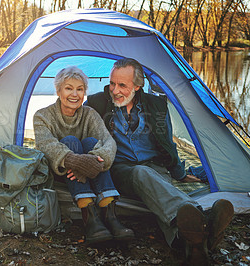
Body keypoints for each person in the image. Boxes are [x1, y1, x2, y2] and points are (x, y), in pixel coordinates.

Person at [86, 58, 234, 264]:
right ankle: (203, 220)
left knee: (162, 198)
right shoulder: (96, 103)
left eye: (122, 85)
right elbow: (81, 132)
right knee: (141, 173)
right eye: (112, 83)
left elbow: (168, 142)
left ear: (137, 86)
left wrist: (180, 173)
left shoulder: (156, 105)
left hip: (156, 166)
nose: (115, 90)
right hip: (121, 169)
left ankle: (193, 244)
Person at [33, 66, 134, 244]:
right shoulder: (42, 116)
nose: (75, 94)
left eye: (80, 89)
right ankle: (90, 215)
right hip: (61, 172)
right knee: (70, 140)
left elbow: (109, 142)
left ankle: (109, 213)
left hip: (89, 171)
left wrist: (94, 162)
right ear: (58, 90)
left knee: (90, 143)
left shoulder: (90, 114)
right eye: (69, 88)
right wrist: (74, 161)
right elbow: (46, 145)